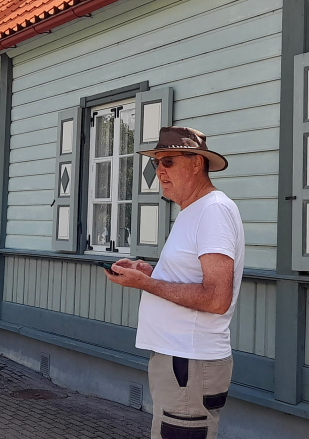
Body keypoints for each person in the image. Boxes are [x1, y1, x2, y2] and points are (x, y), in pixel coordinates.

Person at [105, 126, 245, 439]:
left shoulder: (213, 210)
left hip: (189, 360)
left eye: (168, 162)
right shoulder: (194, 210)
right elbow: (191, 277)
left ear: (196, 163)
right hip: (181, 360)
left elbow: (216, 298)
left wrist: (146, 284)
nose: (159, 171)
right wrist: (150, 273)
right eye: (156, 163)